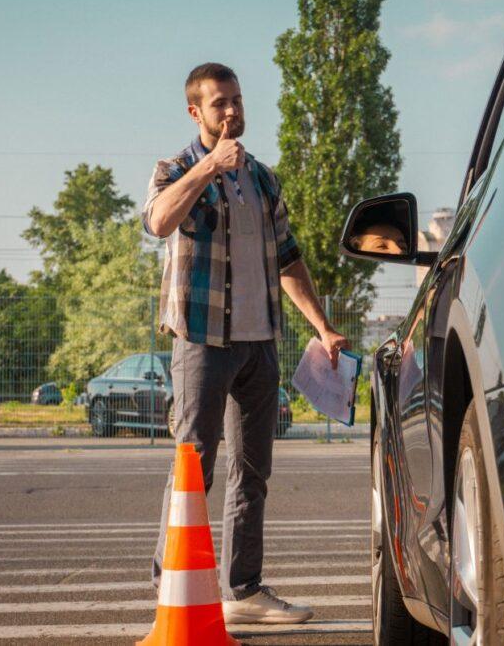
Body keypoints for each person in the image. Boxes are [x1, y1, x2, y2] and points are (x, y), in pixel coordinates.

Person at [142, 62, 349, 625]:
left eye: (236, 100)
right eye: (219, 104)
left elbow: (288, 256)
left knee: (252, 472)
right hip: (203, 343)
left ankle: (245, 591)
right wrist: (209, 166)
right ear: (195, 112)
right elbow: (157, 223)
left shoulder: (262, 178)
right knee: (194, 465)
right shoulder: (176, 168)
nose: (232, 111)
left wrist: (321, 326)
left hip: (261, 345)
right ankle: (170, 588)